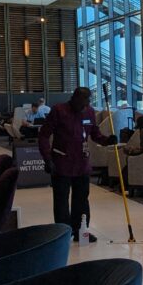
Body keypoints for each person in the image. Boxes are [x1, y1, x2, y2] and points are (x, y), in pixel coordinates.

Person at [38, 87, 114, 243]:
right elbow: (44, 135)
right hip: (61, 162)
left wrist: (107, 140)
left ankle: (81, 231)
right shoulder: (58, 110)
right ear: (74, 98)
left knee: (82, 200)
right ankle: (63, 234)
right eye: (82, 102)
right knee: (61, 201)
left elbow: (95, 134)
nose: (85, 106)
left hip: (82, 163)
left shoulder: (89, 112)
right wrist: (47, 158)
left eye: (87, 102)